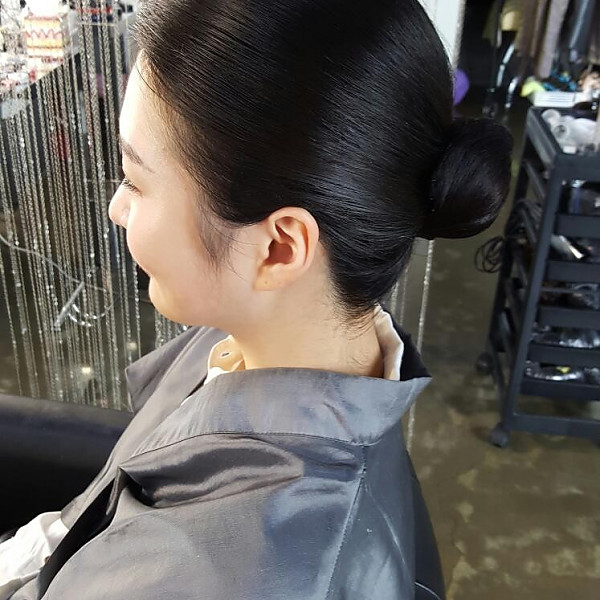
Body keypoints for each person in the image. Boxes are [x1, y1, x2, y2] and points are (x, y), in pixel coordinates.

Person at [1, 0, 512, 598]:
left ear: (278, 248)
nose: (117, 208)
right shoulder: (275, 339)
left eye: (135, 181)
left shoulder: (230, 575)